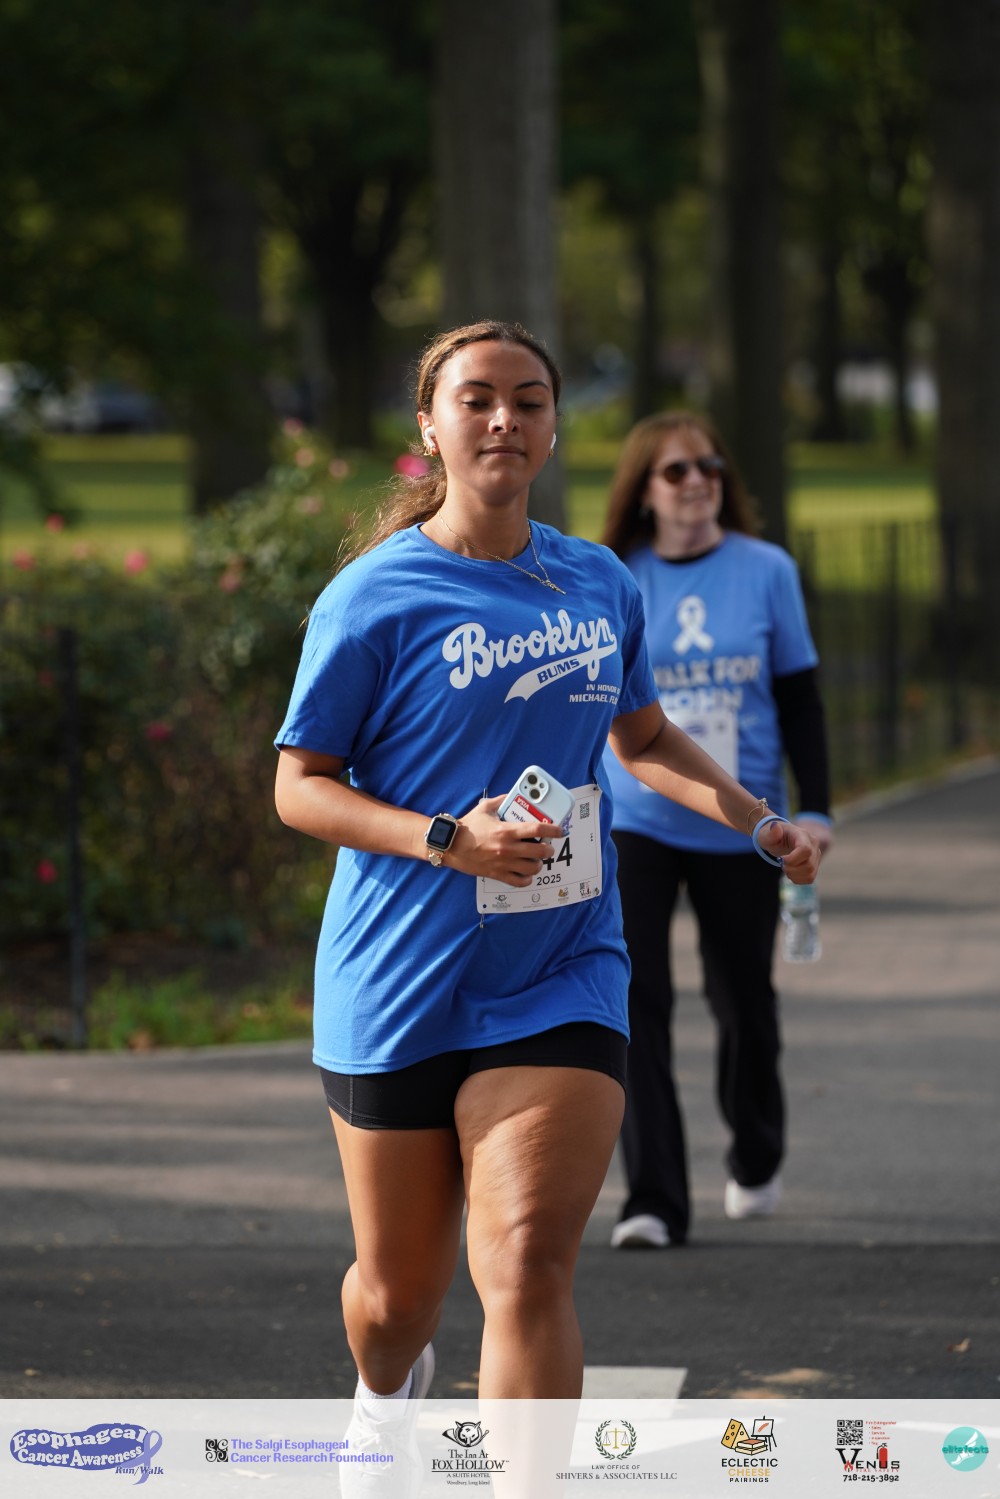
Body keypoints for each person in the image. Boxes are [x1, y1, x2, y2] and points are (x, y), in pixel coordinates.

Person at [273, 323, 818, 1478]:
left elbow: (643, 736)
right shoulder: (371, 598)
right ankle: (384, 1394)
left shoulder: (597, 580)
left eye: (528, 399)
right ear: (430, 428)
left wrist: (752, 816)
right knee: (397, 1294)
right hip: (399, 973)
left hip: (561, 965)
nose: (503, 419)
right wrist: (445, 837)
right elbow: (299, 786)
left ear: (554, 426)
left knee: (524, 1258)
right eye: (476, 399)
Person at [599, 411, 834, 1252]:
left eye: (709, 466)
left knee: (742, 1003)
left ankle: (756, 1146)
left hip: (745, 822)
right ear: (644, 491)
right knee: (636, 1002)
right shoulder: (619, 578)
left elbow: (801, 701)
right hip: (638, 821)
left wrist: (815, 811)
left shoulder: (766, 570)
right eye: (676, 470)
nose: (697, 480)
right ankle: (654, 1198)